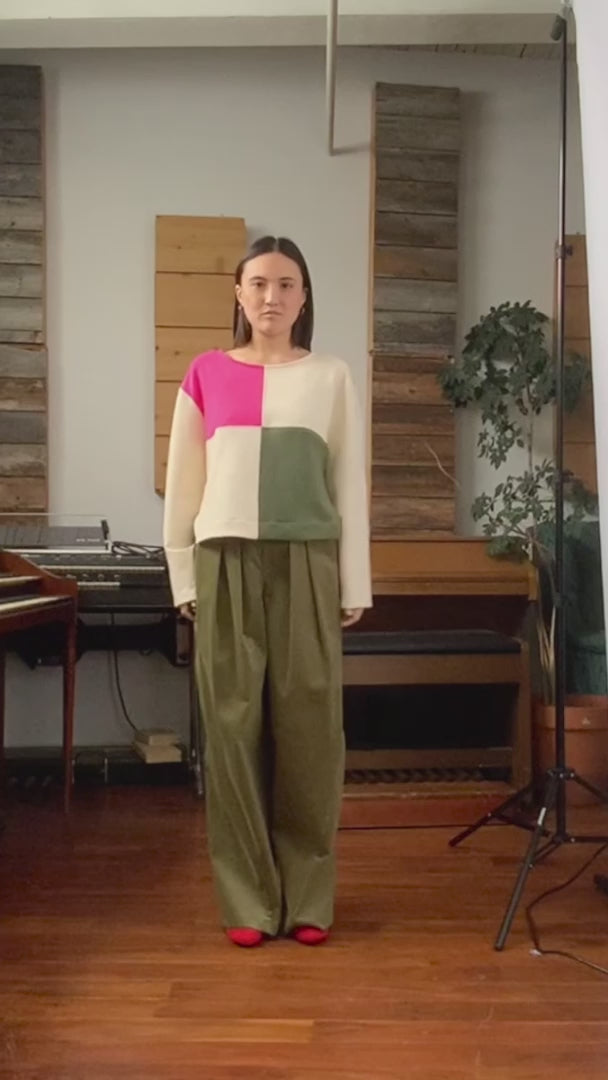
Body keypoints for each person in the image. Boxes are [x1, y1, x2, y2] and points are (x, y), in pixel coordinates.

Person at [163, 235, 372, 948]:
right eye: (258, 283)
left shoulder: (331, 376)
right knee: (230, 731)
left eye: (286, 284)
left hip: (307, 560)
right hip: (224, 559)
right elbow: (183, 485)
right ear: (239, 293)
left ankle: (308, 897)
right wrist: (183, 574)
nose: (271, 297)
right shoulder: (204, 372)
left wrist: (354, 579)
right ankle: (248, 901)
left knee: (311, 730)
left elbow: (349, 482)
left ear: (304, 296)